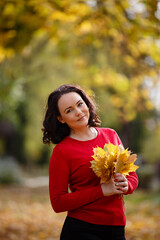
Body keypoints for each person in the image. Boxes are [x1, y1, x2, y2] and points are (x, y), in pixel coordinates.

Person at [42, 84, 138, 240]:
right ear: (61, 118)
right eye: (69, 110)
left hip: (117, 227)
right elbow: (58, 202)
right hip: (82, 229)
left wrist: (127, 185)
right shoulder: (62, 151)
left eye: (80, 104)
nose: (78, 112)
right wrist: (102, 190)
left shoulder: (111, 135)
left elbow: (132, 175)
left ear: (87, 103)